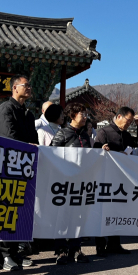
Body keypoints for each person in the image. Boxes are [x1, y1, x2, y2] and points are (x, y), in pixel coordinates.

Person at [0, 74, 38, 271]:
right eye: (25, 85)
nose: (29, 88)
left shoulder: (28, 114)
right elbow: (7, 138)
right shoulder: (5, 109)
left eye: (29, 85)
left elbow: (34, 139)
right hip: (7, 167)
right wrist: (27, 146)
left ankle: (16, 253)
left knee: (20, 212)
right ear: (14, 88)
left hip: (25, 168)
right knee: (6, 211)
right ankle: (4, 255)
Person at [93, 106, 138, 256]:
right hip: (104, 177)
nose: (129, 123)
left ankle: (114, 244)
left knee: (116, 211)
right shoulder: (104, 132)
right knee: (102, 211)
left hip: (119, 178)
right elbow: (96, 151)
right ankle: (100, 245)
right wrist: (110, 151)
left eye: (131, 121)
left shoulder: (126, 134)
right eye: (128, 120)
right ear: (119, 116)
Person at [50, 102, 92, 264]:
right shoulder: (62, 134)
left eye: (86, 114)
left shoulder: (85, 135)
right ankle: (61, 251)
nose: (85, 117)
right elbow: (51, 155)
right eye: (82, 114)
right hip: (64, 183)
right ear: (73, 115)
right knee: (62, 217)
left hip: (81, 183)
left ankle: (76, 249)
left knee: (78, 217)